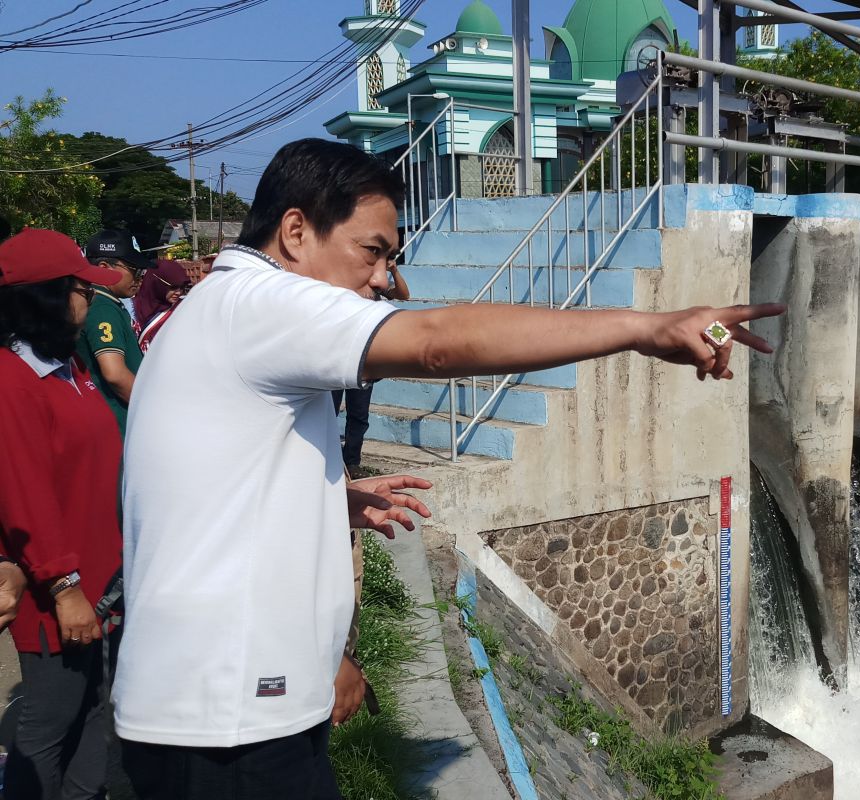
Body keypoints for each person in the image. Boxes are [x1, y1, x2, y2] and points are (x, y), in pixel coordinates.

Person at [113, 138, 783, 800]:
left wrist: (321, 499)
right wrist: (650, 328)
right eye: (372, 251)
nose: (381, 278)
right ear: (295, 230)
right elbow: (434, 343)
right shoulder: (259, 305)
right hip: (225, 726)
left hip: (217, 716)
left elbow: (208, 486)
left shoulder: (223, 312)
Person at [0, 228, 126, 800]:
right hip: (61, 596)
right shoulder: (12, 380)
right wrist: (65, 585)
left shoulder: (69, 368)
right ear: (47, 295)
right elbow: (23, 493)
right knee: (48, 728)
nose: (90, 299)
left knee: (100, 715)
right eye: (80, 288)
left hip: (107, 579)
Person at [332, 257, 411, 476]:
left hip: (363, 363)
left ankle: (352, 462)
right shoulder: (344, 285)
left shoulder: (375, 288)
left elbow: (404, 294)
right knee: (329, 410)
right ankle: (327, 458)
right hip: (337, 359)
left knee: (358, 415)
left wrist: (394, 270)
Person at [76, 229, 158, 436]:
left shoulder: (106, 302)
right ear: (104, 268)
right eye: (134, 269)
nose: (139, 277)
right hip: (115, 422)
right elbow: (114, 373)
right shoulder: (103, 306)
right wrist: (152, 409)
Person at [133, 258, 191, 351]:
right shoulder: (128, 309)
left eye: (183, 287)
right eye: (173, 287)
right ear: (156, 283)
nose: (179, 292)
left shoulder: (182, 311)